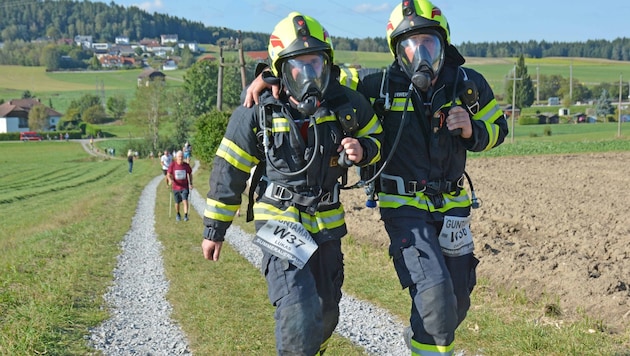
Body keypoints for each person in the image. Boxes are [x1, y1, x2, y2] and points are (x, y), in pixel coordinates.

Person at [244, 1, 509, 355]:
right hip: (404, 207)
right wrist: (267, 76)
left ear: (443, 43)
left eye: (428, 44)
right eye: (409, 47)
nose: (421, 56)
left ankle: (423, 340)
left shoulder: (468, 85)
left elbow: (499, 127)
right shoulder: (377, 84)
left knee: (456, 300)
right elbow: (317, 74)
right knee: (435, 295)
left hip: (454, 208)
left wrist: (472, 129)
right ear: (396, 50)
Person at [202, 12, 383, 355]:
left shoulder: (346, 103)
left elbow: (377, 137)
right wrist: (214, 229)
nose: (308, 73)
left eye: (315, 63)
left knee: (326, 312)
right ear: (281, 69)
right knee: (297, 308)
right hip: (280, 219)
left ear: (327, 64)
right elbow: (230, 169)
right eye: (298, 65)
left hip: (327, 226)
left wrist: (364, 148)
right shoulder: (257, 110)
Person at [167, 150, 193, 221]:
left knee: (185, 200)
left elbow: (190, 174)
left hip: (184, 187)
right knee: (177, 203)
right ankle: (178, 214)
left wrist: (190, 183)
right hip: (176, 187)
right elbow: (168, 174)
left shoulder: (186, 165)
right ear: (176, 157)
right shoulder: (173, 165)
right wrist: (170, 180)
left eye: (182, 156)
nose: (180, 158)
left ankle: (185, 215)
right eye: (179, 157)